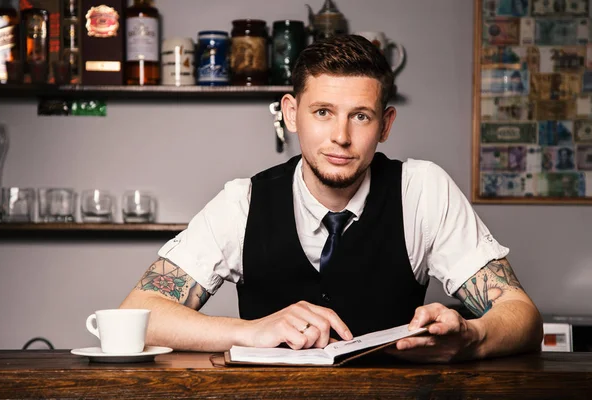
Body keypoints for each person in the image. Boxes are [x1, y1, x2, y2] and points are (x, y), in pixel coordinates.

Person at [120, 35, 543, 363]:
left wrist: (471, 338)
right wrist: (250, 331)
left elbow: (522, 316)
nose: (341, 136)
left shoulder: (422, 191)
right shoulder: (242, 202)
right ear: (290, 113)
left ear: (385, 124)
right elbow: (140, 313)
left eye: (360, 116)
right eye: (322, 112)